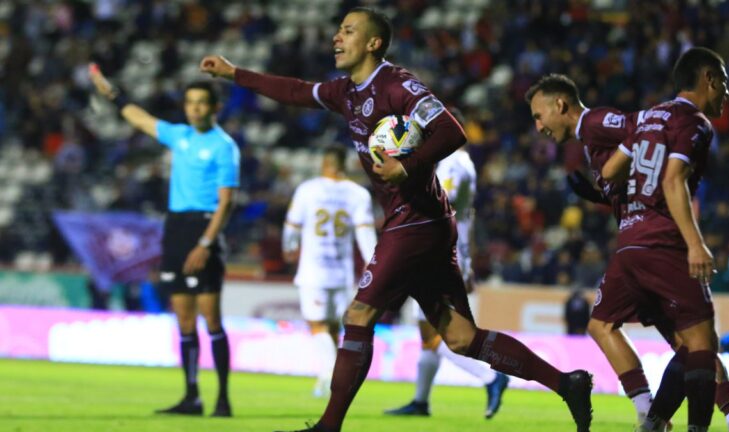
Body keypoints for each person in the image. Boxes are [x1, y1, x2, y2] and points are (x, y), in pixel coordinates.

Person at [201, 7, 592, 432]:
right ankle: (567, 382)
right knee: (461, 338)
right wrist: (234, 73)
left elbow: (452, 132)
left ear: (373, 43)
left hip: (415, 222)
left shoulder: (398, 85)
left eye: (348, 31)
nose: (336, 37)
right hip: (423, 222)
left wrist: (408, 167)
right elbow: (295, 90)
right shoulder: (346, 92)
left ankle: (328, 427)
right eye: (338, 30)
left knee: (359, 315)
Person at [526, 72, 729, 432]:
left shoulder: (596, 122)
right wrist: (605, 192)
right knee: (679, 340)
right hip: (642, 239)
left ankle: (656, 415)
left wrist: (612, 171)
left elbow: (647, 126)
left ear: (560, 105)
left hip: (654, 239)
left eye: (539, 116)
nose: (538, 125)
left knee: (672, 338)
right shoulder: (589, 137)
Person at [89, 65, 239, 417]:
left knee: (211, 318)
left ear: (215, 108)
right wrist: (114, 94)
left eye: (201, 103)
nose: (194, 109)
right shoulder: (180, 136)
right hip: (176, 228)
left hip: (204, 228)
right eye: (190, 103)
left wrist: (206, 243)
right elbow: (140, 119)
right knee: (184, 319)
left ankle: (222, 399)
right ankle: (192, 397)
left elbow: (227, 201)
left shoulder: (224, 147)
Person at [601, 47, 729, 432]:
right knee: (703, 343)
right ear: (708, 79)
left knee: (689, 343)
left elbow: (609, 172)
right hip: (663, 241)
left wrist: (636, 202)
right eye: (724, 82)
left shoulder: (644, 118)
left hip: (628, 245)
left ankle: (654, 422)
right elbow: (673, 179)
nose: (727, 92)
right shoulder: (695, 122)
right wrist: (694, 243)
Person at [384, 120, 510, 419]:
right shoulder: (464, 163)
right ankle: (420, 401)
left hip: (437, 252)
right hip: (451, 250)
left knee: (433, 334)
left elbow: (444, 200)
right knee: (430, 335)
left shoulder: (453, 162)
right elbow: (466, 215)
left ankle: (491, 377)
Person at [282, 145, 377, 398]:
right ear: (344, 165)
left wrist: (289, 246)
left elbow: (292, 225)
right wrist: (374, 262)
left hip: (313, 270)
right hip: (342, 272)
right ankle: (334, 379)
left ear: (324, 164)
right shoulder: (358, 194)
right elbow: (365, 232)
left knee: (317, 325)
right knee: (333, 328)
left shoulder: (308, 190)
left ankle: (330, 375)